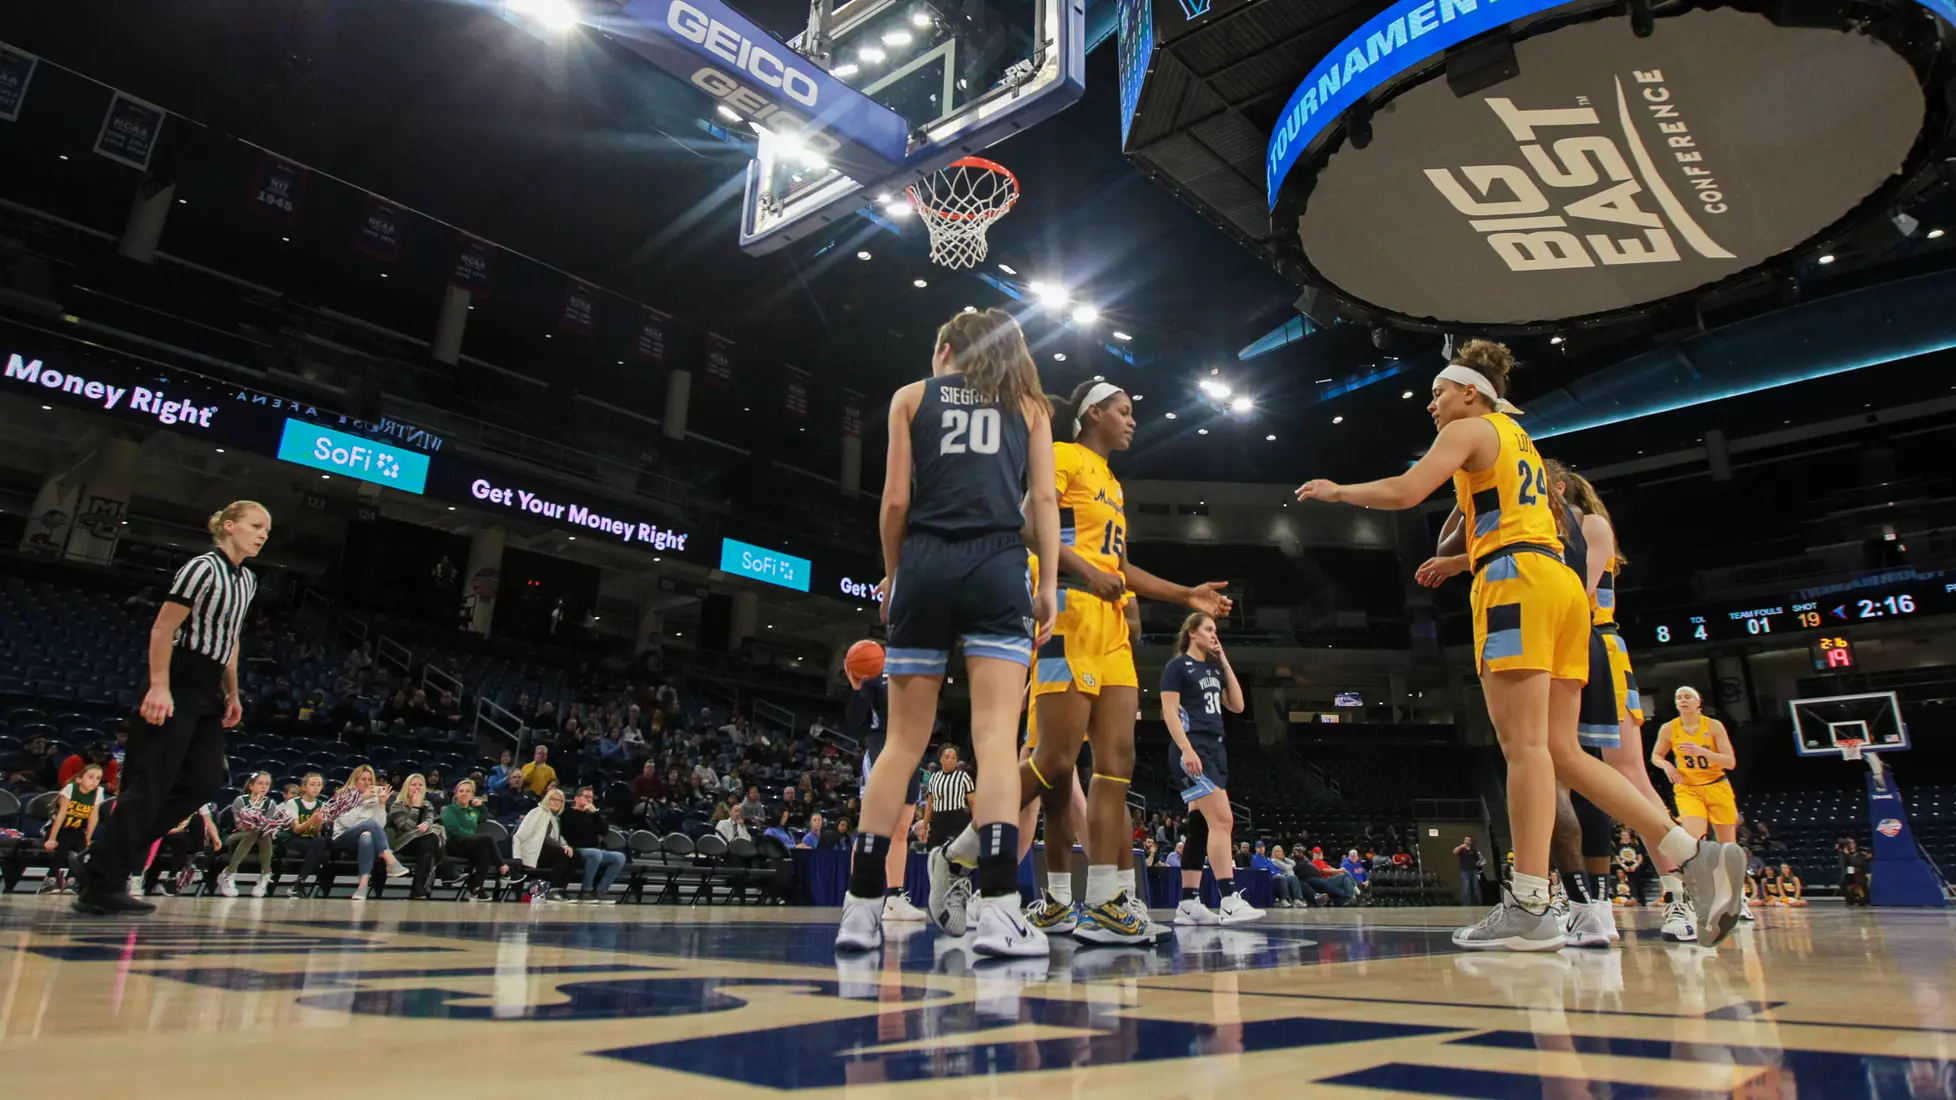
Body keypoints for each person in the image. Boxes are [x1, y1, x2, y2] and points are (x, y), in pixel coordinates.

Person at [1304, 340, 1745, 950]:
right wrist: (1459, 559)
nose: (1430, 405)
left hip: (1516, 585)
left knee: (1523, 749)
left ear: (1470, 391)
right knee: (1561, 752)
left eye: (1437, 393)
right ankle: (1691, 854)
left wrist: (1337, 492)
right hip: (1563, 591)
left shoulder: (1472, 427)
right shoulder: (1522, 442)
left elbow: (1406, 492)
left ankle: (1531, 904)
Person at [936, 378, 1230, 948]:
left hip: (1112, 627)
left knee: (1117, 761)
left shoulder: (1114, 483)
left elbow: (1119, 562)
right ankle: (958, 855)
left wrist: (1185, 596)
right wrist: (1082, 569)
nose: (1132, 421)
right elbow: (1024, 522)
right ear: (1094, 412)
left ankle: (1103, 901)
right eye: (1124, 411)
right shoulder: (1064, 456)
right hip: (1066, 614)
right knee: (1053, 761)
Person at [836, 308, 1061, 959]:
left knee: (902, 745)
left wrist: (892, 573)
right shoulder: (1030, 405)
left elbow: (896, 501)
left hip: (927, 564)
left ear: (944, 349)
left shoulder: (910, 397)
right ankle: (998, 912)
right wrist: (1045, 582)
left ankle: (858, 909)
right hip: (995, 566)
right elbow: (1042, 503)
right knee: (994, 741)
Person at [75, 501, 271, 916]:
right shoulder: (201, 568)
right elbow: (164, 627)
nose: (263, 534)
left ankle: (111, 832)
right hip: (176, 676)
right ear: (229, 526)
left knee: (204, 781)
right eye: (256, 526)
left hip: (209, 684)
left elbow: (230, 638)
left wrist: (232, 692)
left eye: (267, 530)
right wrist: (159, 686)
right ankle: (102, 883)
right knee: (151, 784)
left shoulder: (248, 581)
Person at [1157, 611, 1259, 926]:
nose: (1215, 635)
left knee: (1200, 825)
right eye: (1209, 629)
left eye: (1216, 630)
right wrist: (1187, 749)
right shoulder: (1177, 667)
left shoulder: (1213, 668)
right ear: (1192, 633)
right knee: (1223, 820)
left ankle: (1188, 903)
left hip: (1214, 749)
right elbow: (1169, 712)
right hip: (1193, 749)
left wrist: (1224, 660)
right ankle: (1229, 899)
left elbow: (1238, 705)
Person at [1651, 685, 1750, 922]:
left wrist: (1701, 751)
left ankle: (1740, 899)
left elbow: (1730, 762)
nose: (1682, 700)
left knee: (1729, 847)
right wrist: (1667, 766)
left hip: (1717, 785)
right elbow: (1656, 756)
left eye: (1688, 697)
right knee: (1693, 844)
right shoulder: (1669, 728)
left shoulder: (1713, 726)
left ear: (1699, 703)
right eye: (1679, 697)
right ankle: (1697, 897)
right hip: (1687, 789)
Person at [846, 660, 928, 923]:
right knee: (873, 826)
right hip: (881, 749)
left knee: (903, 828)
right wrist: (857, 688)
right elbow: (854, 719)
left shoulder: (917, 669)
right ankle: (857, 897)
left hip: (910, 751)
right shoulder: (873, 672)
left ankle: (894, 897)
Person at [313, 766, 411, 900]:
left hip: (363, 839)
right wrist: (360, 800)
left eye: (370, 779)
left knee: (367, 837)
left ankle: (362, 886)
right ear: (355, 780)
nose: (367, 782)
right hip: (343, 837)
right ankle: (389, 858)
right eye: (363, 779)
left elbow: (380, 826)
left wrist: (381, 804)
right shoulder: (344, 795)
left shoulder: (374, 797)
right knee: (369, 824)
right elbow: (347, 822)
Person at [42, 762, 107, 893]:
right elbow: (60, 816)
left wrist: (88, 838)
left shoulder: (98, 792)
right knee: (65, 841)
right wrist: (52, 838)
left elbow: (93, 818)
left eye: (98, 778)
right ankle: (51, 878)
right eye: (91, 777)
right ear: (79, 779)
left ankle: (71, 880)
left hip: (76, 829)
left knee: (81, 847)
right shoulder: (70, 788)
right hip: (57, 828)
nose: (95, 781)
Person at [217, 771, 281, 897]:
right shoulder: (240, 801)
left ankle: (264, 877)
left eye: (267, 784)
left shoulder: (271, 803)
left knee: (264, 834)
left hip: (260, 836)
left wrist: (267, 826)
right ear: (251, 786)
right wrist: (257, 824)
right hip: (235, 835)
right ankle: (229, 873)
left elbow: (267, 826)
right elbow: (240, 826)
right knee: (253, 832)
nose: (264, 787)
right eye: (260, 783)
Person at [440, 779, 506, 899]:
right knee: (487, 839)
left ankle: (477, 887)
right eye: (461, 791)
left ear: (472, 794)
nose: (464, 794)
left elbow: (485, 816)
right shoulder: (449, 810)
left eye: (467, 791)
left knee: (484, 851)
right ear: (456, 793)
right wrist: (472, 836)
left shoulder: (473, 811)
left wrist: (481, 806)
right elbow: (455, 831)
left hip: (469, 845)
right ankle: (502, 866)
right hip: (454, 844)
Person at [386, 774, 446, 899]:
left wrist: (425, 823)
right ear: (406, 787)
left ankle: (418, 890)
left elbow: (431, 819)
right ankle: (447, 869)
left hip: (423, 843)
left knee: (428, 842)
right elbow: (407, 827)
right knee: (431, 838)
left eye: (420, 785)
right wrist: (415, 807)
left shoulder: (427, 804)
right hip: (403, 843)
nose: (417, 788)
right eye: (413, 785)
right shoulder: (397, 805)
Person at [562, 786, 624, 903]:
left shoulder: (592, 815)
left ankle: (600, 891)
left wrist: (595, 813)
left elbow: (605, 831)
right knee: (595, 853)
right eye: (586, 797)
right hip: (576, 849)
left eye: (591, 798)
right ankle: (585, 891)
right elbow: (577, 833)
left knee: (619, 857)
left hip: (593, 849)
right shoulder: (568, 813)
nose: (589, 800)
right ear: (576, 798)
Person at [514, 788, 576, 902]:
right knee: (563, 853)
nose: (557, 802)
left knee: (574, 855)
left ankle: (560, 890)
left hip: (546, 850)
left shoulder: (554, 817)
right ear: (547, 800)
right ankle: (552, 891)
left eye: (560, 801)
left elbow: (557, 837)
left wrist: (566, 845)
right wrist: (517, 856)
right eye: (554, 799)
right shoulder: (538, 812)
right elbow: (535, 836)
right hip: (533, 849)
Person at [923, 744, 974, 848]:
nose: (950, 760)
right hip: (937, 819)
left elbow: (973, 803)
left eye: (953, 758)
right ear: (940, 759)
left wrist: (975, 826)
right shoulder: (934, 777)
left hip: (957, 819)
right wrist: (924, 826)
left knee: (952, 850)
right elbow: (929, 805)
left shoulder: (963, 776)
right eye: (947, 757)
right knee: (934, 852)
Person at [1453, 837, 1483, 907]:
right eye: (1466, 839)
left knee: (1475, 887)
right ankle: (1465, 904)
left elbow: (1480, 858)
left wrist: (1478, 863)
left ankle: (1475, 904)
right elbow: (1454, 852)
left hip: (1474, 870)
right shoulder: (1462, 850)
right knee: (1465, 888)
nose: (1467, 841)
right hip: (1465, 870)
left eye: (1469, 840)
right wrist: (1460, 846)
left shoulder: (1474, 849)